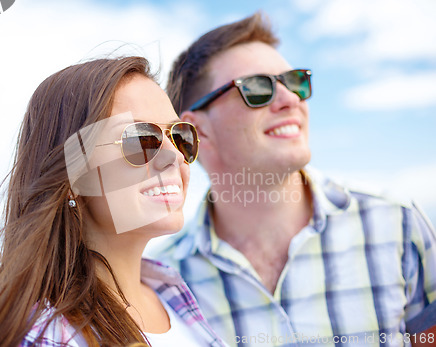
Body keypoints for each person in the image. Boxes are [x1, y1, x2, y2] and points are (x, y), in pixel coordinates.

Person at [149, 12, 436, 346]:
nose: (291, 99)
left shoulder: (397, 225)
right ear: (197, 132)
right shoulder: (163, 282)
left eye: (295, 82)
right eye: (258, 88)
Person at [0, 57, 225, 347]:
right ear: (72, 177)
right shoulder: (47, 338)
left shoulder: (175, 296)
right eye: (141, 139)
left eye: (180, 136)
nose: (176, 156)